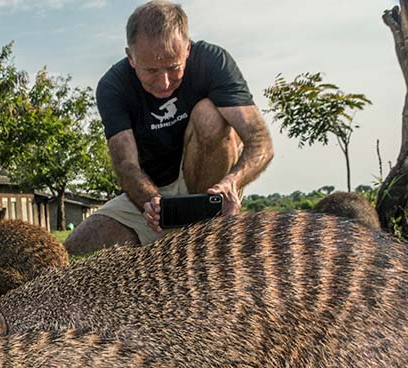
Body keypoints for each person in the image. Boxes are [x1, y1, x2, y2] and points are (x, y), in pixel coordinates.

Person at [65, 0, 274, 254]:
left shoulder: (213, 61)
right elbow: (126, 164)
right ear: (131, 57)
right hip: (152, 189)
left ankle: (206, 225)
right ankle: (166, 231)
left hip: (207, 180)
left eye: (174, 68)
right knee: (73, 251)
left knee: (209, 114)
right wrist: (151, 203)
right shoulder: (112, 86)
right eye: (151, 70)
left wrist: (232, 181)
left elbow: (259, 141)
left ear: (187, 49)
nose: (164, 82)